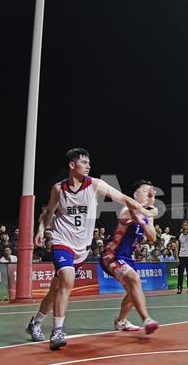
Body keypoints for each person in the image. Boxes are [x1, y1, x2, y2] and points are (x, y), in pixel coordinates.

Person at [24, 148, 156, 350]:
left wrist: (146, 210)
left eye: (89, 162)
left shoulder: (94, 184)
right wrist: (42, 229)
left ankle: (36, 322)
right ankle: (57, 331)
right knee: (67, 277)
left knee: (56, 289)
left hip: (81, 248)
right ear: (72, 165)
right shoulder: (58, 189)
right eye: (84, 162)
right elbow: (49, 211)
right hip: (62, 241)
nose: (88, 166)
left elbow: (124, 199)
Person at [100, 180, 160, 334]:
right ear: (135, 194)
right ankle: (147, 319)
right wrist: (151, 207)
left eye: (150, 191)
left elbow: (152, 237)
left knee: (133, 291)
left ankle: (121, 321)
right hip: (111, 255)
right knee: (134, 280)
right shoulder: (127, 209)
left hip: (127, 257)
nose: (149, 194)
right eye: (145, 191)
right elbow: (145, 211)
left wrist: (145, 221)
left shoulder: (147, 215)